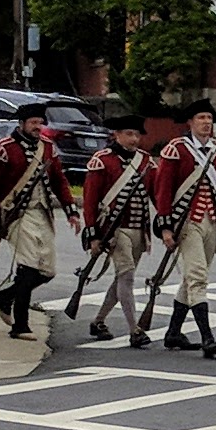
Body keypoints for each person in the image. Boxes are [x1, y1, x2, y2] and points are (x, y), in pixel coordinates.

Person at [151, 98, 216, 356]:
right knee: (198, 277)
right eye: (201, 118)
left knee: (192, 278)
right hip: (186, 221)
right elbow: (163, 190)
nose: (207, 123)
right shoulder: (176, 149)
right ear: (190, 122)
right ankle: (207, 337)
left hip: (213, 221)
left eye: (209, 118)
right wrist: (165, 227)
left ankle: (173, 333)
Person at [0, 106, 79, 341]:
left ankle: (5, 296)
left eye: (40, 122)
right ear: (22, 123)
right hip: (17, 215)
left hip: (42, 212)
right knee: (27, 267)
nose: (37, 127)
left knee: (48, 270)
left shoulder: (47, 147)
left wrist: (71, 211)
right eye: (33, 122)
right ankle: (20, 325)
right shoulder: (4, 148)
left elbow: (59, 180)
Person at [82, 116, 157, 347]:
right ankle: (134, 329)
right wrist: (93, 234)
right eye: (128, 134)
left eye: (136, 135)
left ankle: (99, 320)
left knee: (122, 278)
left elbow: (155, 194)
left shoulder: (145, 161)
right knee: (127, 275)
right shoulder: (102, 160)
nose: (134, 139)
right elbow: (90, 200)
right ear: (117, 135)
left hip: (139, 228)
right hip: (114, 230)